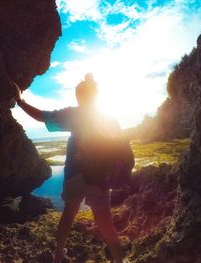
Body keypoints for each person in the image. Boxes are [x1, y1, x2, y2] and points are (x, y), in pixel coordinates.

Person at [13, 73, 124, 263]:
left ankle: (58, 256)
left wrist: (20, 101)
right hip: (99, 178)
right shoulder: (108, 118)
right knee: (106, 223)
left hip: (75, 175)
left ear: (79, 97)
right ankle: (118, 261)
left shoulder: (73, 114)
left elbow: (41, 116)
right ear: (96, 96)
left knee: (68, 215)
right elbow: (119, 149)